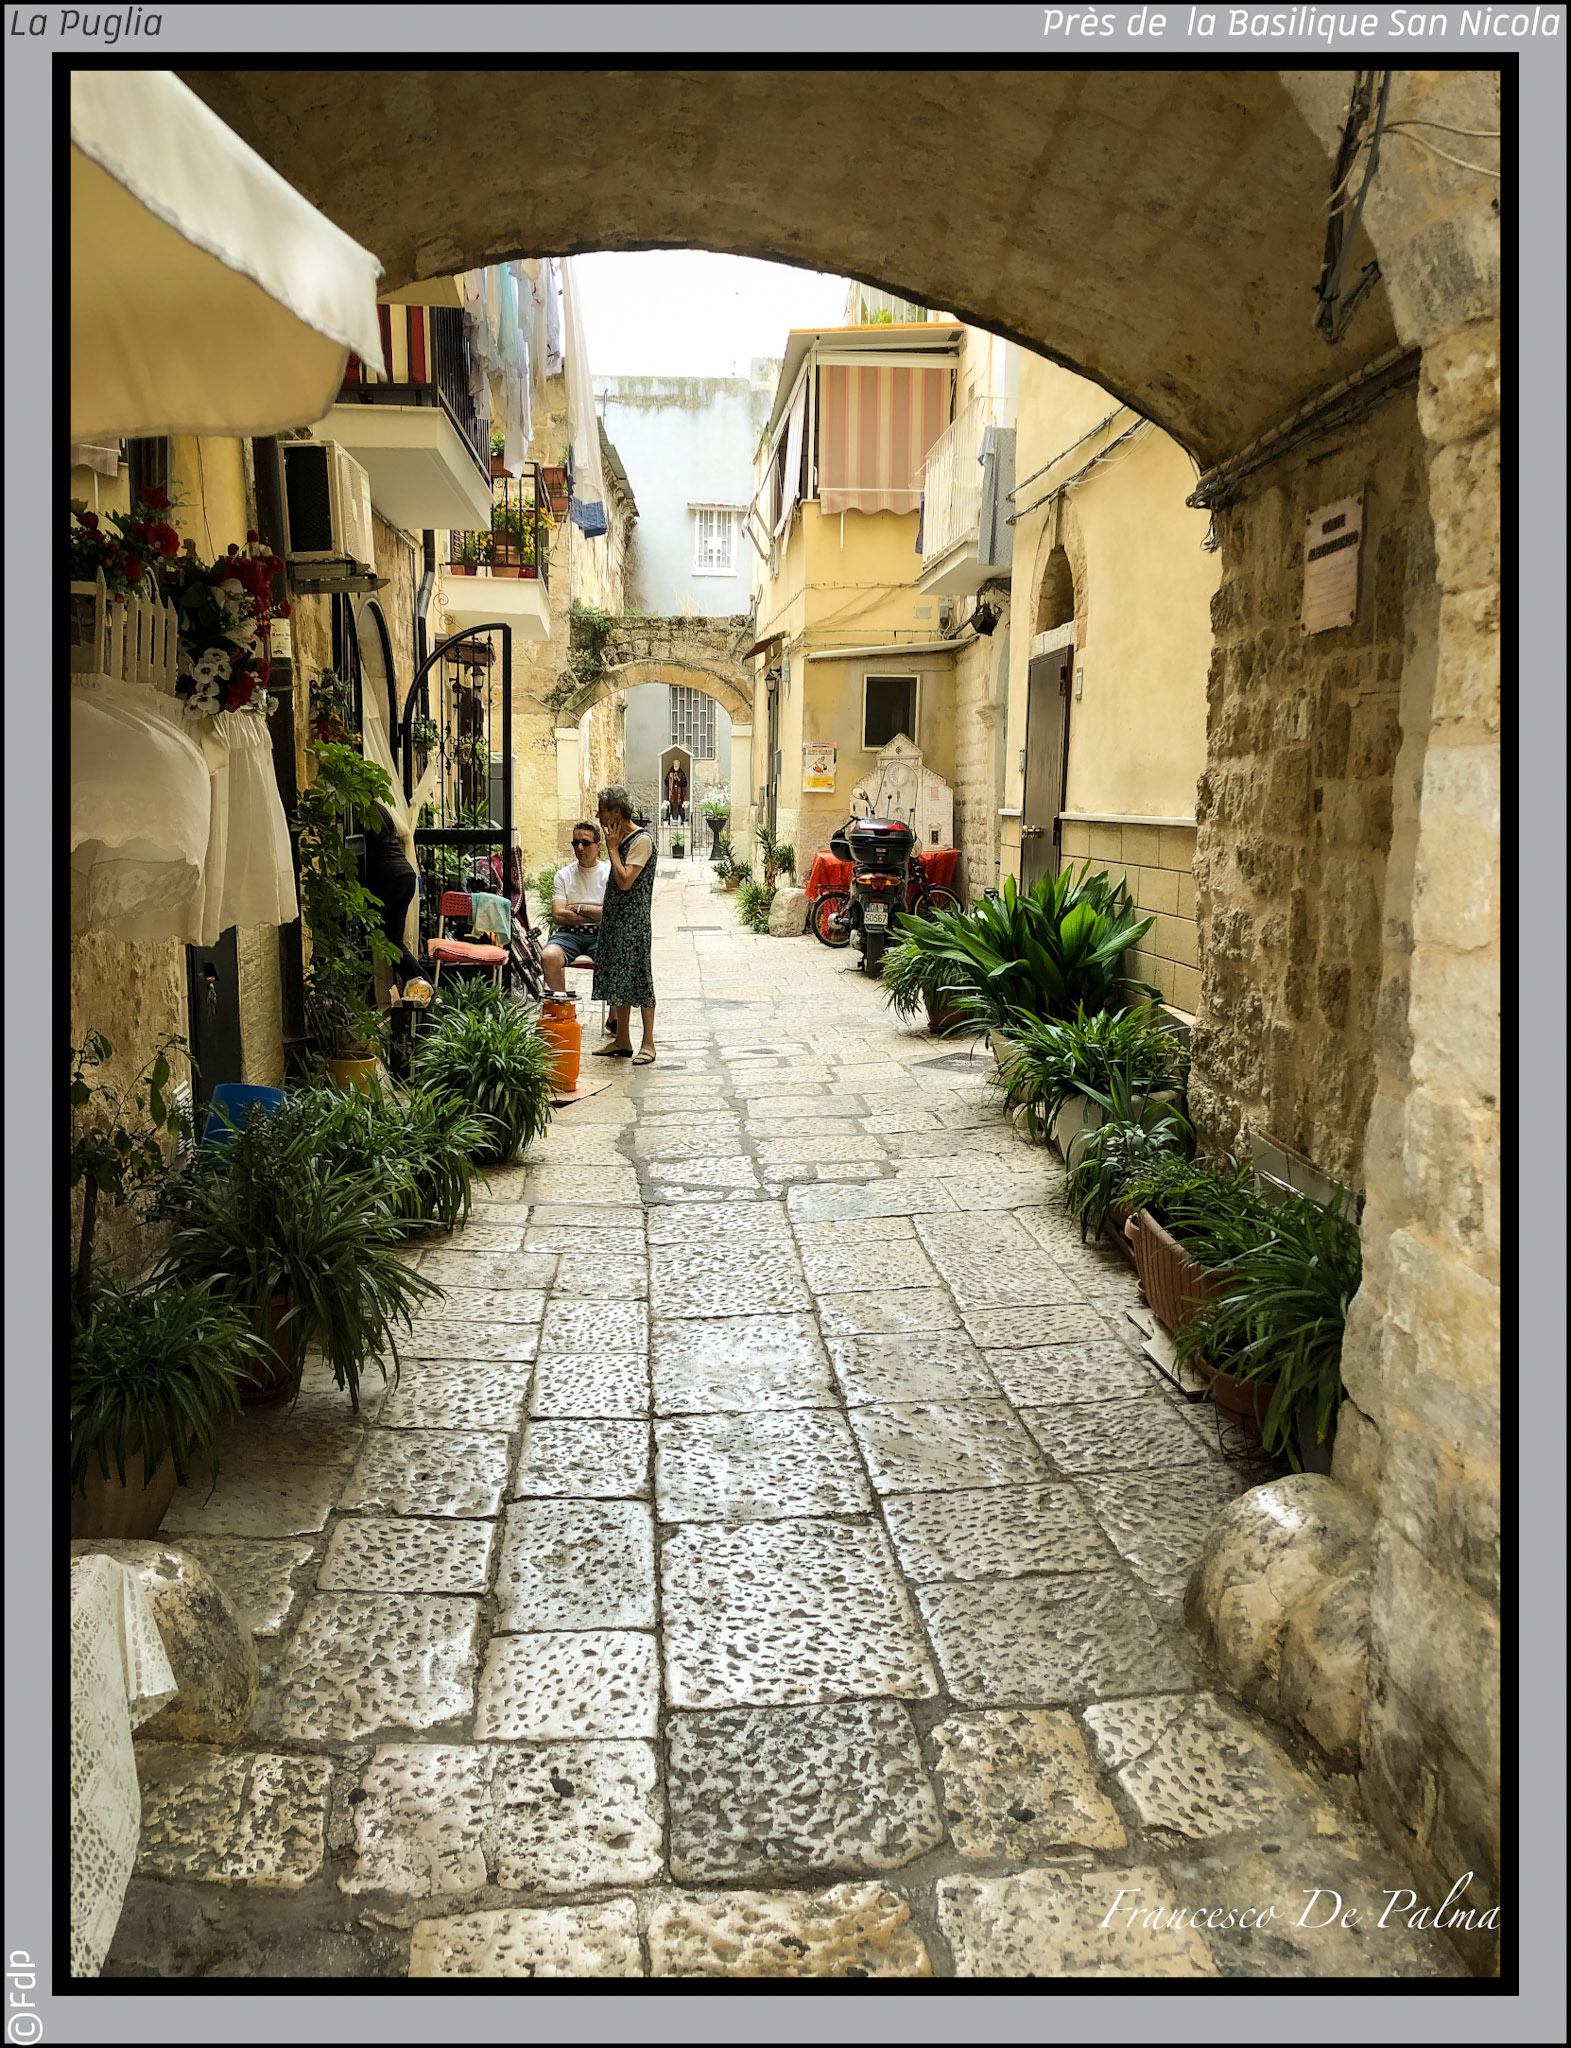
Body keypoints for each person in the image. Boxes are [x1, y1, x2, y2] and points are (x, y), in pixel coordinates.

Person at [591, 784, 657, 1063]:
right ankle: (622, 1040)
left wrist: (613, 850)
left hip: (633, 922)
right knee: (618, 978)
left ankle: (649, 1043)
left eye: (602, 811)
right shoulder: (622, 840)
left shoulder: (641, 841)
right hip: (617, 920)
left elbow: (625, 881)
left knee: (639, 979)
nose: (598, 816)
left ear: (616, 812)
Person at [363, 804, 433, 1007]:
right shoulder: (381, 809)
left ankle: (381, 998)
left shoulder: (361, 813)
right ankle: (424, 986)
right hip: (405, 875)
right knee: (392, 942)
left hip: (387, 877)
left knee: (372, 934)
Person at [541, 822, 610, 998]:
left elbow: (610, 914)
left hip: (601, 934)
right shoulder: (563, 875)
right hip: (568, 934)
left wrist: (578, 908)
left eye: (585, 843)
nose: (579, 847)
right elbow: (558, 915)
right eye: (575, 843)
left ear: (598, 846)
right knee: (549, 956)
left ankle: (614, 1018)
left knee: (615, 957)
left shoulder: (609, 873)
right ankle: (563, 1010)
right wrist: (595, 914)